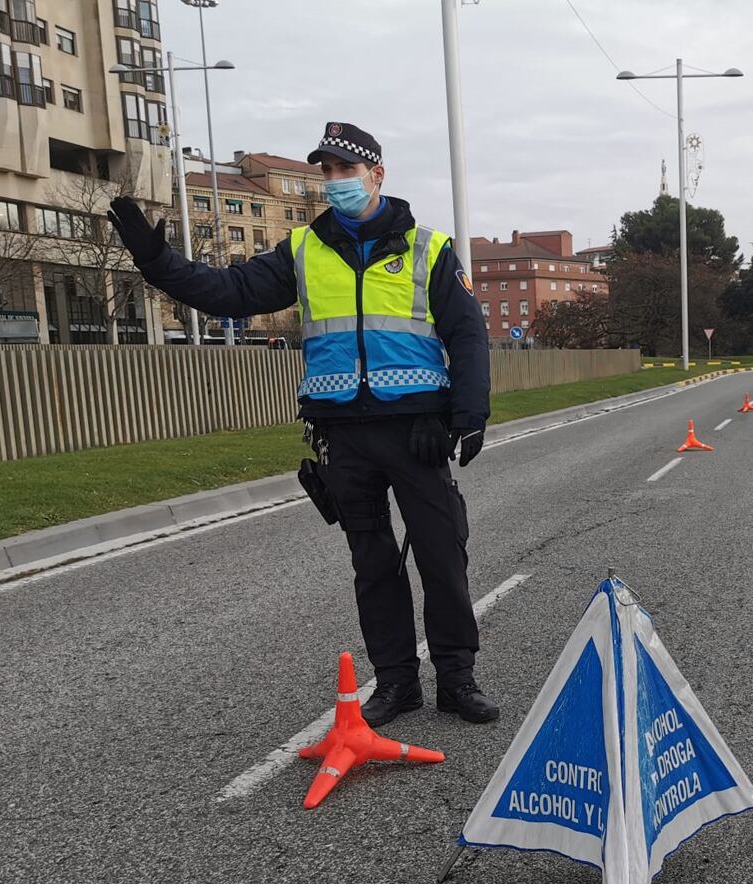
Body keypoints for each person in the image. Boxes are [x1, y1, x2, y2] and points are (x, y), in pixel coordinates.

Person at [106, 122, 499, 728]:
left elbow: (467, 337)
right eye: (328, 172)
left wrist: (465, 415)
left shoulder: (430, 249)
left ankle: (457, 679)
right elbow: (229, 291)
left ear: (377, 174)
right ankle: (396, 684)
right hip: (343, 437)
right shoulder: (303, 250)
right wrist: (158, 263)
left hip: (417, 432)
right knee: (373, 568)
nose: (336, 181)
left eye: (347, 169)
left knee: (442, 560)